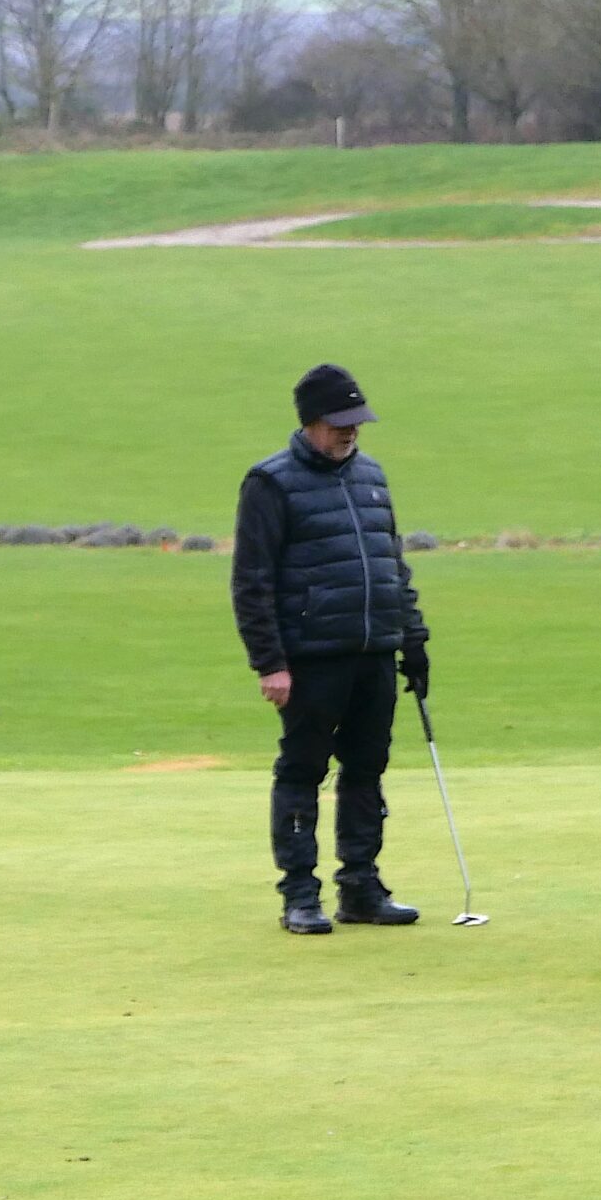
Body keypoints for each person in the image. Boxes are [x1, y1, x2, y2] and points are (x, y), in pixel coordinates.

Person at [231, 364, 431, 935]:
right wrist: (270, 662)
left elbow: (392, 564)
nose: (351, 431)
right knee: (303, 770)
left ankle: (361, 888)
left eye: (356, 421)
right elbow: (252, 580)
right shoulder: (270, 482)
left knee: (367, 768)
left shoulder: (371, 475)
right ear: (311, 421)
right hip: (312, 656)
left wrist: (413, 638)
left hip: (374, 651)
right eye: (340, 422)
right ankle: (299, 894)